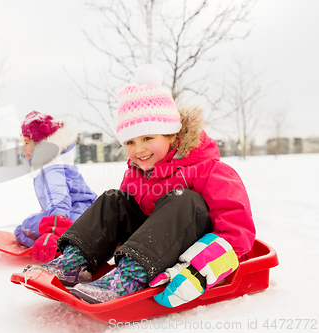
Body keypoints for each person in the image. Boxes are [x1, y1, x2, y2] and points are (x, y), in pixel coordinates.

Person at [23, 64, 256, 307]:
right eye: (131, 142)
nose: (139, 149)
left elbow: (237, 232)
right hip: (150, 248)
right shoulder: (136, 173)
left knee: (184, 198)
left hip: (188, 250)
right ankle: (74, 262)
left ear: (171, 135)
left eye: (148, 138)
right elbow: (121, 221)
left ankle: (129, 277)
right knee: (113, 199)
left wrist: (198, 271)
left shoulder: (210, 170)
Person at [14, 111, 97, 263]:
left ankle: (63, 243)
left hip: (83, 214)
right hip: (76, 212)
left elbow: (59, 198)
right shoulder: (47, 164)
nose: (22, 148)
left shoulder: (52, 167)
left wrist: (52, 231)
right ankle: (65, 241)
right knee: (27, 227)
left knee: (24, 228)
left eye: (26, 143)